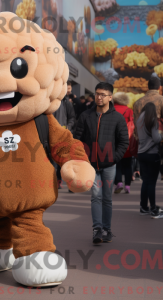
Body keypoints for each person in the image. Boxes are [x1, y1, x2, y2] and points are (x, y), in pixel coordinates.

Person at [74, 82, 129, 244]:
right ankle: (97, 229)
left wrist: (113, 158)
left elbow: (124, 142)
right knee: (96, 196)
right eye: (97, 93)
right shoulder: (86, 116)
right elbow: (77, 140)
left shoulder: (117, 118)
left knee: (106, 198)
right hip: (91, 164)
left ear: (110, 97)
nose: (99, 97)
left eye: (103, 94)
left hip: (109, 165)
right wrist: (83, 158)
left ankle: (107, 229)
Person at [136, 102, 163, 219]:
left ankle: (143, 207)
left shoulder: (139, 120)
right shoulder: (152, 121)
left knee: (145, 181)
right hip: (152, 154)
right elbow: (156, 139)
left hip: (141, 153)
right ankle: (153, 209)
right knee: (152, 182)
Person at [53, 82, 76, 188]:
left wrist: (68, 127)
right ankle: (54, 180)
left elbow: (72, 117)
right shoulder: (49, 100)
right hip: (51, 133)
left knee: (62, 159)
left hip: (63, 134)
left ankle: (60, 180)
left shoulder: (66, 102)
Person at [112, 92, 134, 194]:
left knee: (117, 163)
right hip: (127, 140)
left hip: (114, 140)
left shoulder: (111, 109)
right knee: (128, 164)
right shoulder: (129, 110)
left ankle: (119, 182)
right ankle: (128, 186)